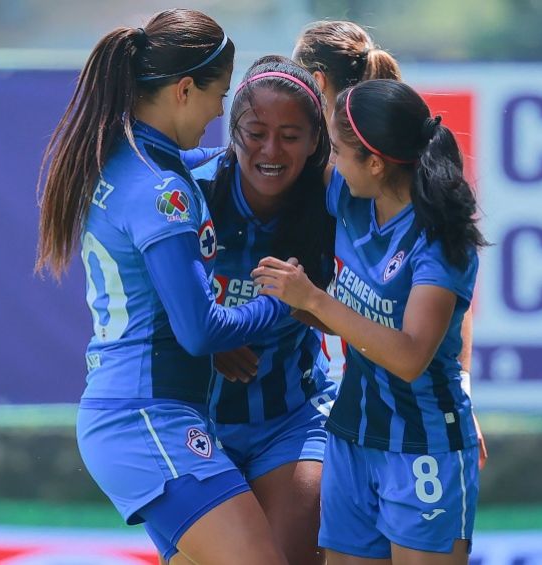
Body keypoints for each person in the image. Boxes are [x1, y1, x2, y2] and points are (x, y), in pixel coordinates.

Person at [35, 10, 289, 565]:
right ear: (182, 90)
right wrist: (293, 304)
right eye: (217, 94)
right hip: (146, 418)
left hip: (136, 415)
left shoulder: (132, 162)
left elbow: (215, 163)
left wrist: (273, 152)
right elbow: (201, 331)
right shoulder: (160, 192)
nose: (219, 112)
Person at [253, 79, 488, 564]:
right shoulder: (351, 197)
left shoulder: (439, 242)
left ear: (376, 163)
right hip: (351, 436)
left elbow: (408, 355)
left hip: (423, 445)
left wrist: (314, 301)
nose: (331, 164)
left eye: (338, 152)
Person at [293, 21, 486, 468]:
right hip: (348, 410)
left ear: (316, 83)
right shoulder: (347, 176)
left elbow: (447, 298)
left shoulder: (356, 174)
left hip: (403, 420)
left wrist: (458, 398)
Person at [185, 55, 336, 565]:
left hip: (292, 418)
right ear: (232, 131)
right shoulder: (188, 191)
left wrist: (307, 304)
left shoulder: (334, 203)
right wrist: (206, 338)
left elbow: (371, 309)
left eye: (291, 135)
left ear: (316, 142)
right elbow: (136, 295)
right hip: (192, 425)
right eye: (255, 132)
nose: (271, 150)